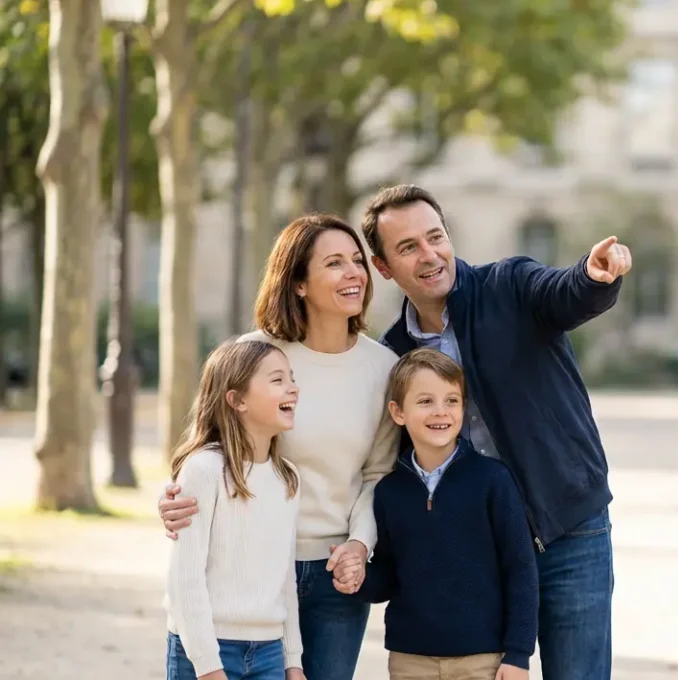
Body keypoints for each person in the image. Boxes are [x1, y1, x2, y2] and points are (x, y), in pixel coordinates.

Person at [334, 184, 630, 680]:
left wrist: (593, 276)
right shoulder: (394, 355)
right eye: (408, 247)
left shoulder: (508, 285)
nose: (430, 255)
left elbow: (564, 292)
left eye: (436, 237)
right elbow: (385, 463)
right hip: (479, 553)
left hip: (569, 529)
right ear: (383, 268)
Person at [158, 214, 401, 680]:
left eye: (357, 260)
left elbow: (378, 475)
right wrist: (172, 498)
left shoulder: (384, 368)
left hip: (335, 573)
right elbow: (210, 448)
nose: (354, 272)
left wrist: (359, 544)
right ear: (298, 283)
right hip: (252, 568)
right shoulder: (256, 357)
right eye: (334, 263)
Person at [354, 348, 537, 680]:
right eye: (425, 401)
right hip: (410, 661)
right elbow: (390, 575)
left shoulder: (492, 481)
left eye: (451, 400)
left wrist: (518, 654)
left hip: (482, 660)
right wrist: (359, 578)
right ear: (398, 412)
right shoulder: (389, 492)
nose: (441, 411)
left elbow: (521, 571)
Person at [164, 339, 305, 680]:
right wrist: (208, 666)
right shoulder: (204, 469)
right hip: (205, 647)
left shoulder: (288, 478)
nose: (293, 388)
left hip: (269, 653)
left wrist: (293, 660)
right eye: (278, 380)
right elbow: (185, 579)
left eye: (291, 378)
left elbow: (285, 580)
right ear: (237, 400)